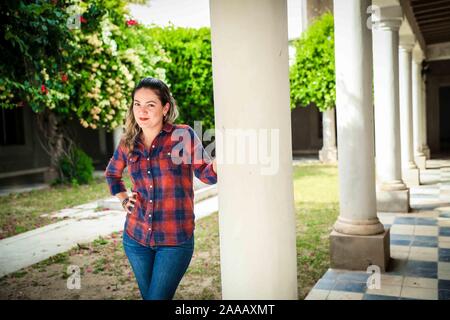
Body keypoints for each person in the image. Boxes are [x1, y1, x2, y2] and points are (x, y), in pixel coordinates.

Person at [104, 77, 217, 300]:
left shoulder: (182, 136)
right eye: (137, 104)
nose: (142, 111)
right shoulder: (128, 142)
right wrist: (124, 198)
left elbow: (207, 174)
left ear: (165, 108)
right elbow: (112, 174)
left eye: (150, 104)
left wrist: (218, 162)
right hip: (135, 238)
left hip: (174, 239)